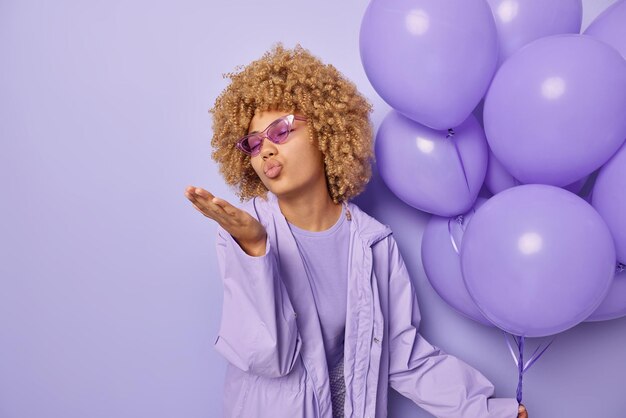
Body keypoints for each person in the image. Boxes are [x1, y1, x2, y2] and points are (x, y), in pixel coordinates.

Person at [185, 43, 529, 418]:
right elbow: (269, 356)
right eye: (253, 143)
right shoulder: (242, 231)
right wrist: (255, 250)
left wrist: (488, 411)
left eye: (280, 131)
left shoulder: (374, 243)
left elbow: (404, 356)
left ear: (326, 129)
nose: (266, 150)